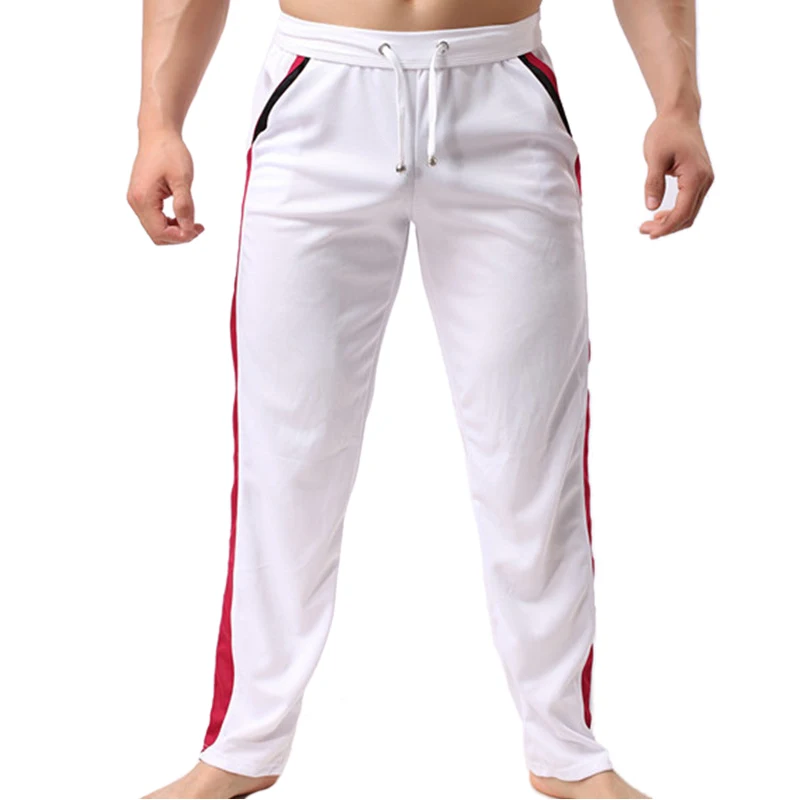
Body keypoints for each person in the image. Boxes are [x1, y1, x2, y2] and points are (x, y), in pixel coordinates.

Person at [127, 0, 713, 797]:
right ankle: (242, 744)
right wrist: (158, 120)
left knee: (531, 460)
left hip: (502, 100)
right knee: (287, 457)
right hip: (319, 99)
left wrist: (678, 102)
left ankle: (566, 752)